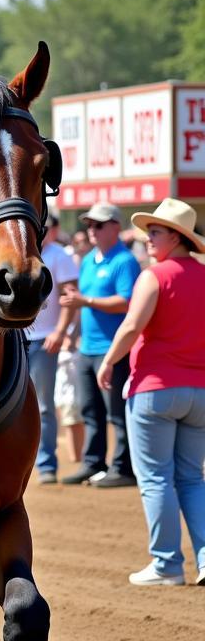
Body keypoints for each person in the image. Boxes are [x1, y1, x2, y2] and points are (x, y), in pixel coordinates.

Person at [95, 199, 205, 586]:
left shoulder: (154, 276)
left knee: (156, 478)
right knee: (192, 477)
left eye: (155, 232)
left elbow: (130, 328)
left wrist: (108, 361)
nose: (148, 239)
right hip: (199, 392)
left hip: (155, 389)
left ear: (175, 237)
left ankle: (166, 565)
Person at [59, 202, 141, 487]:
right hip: (88, 347)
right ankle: (93, 463)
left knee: (117, 413)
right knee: (90, 410)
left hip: (113, 349)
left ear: (116, 227)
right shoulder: (90, 260)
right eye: (89, 224)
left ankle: (123, 468)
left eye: (99, 225)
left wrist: (85, 301)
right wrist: (74, 332)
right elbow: (83, 304)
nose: (92, 230)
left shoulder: (124, 261)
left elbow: (127, 303)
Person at [26, 212, 78, 484]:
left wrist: (61, 331)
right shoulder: (22, 248)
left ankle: (46, 463)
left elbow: (70, 298)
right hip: (16, 339)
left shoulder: (59, 255)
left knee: (43, 406)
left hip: (45, 339)